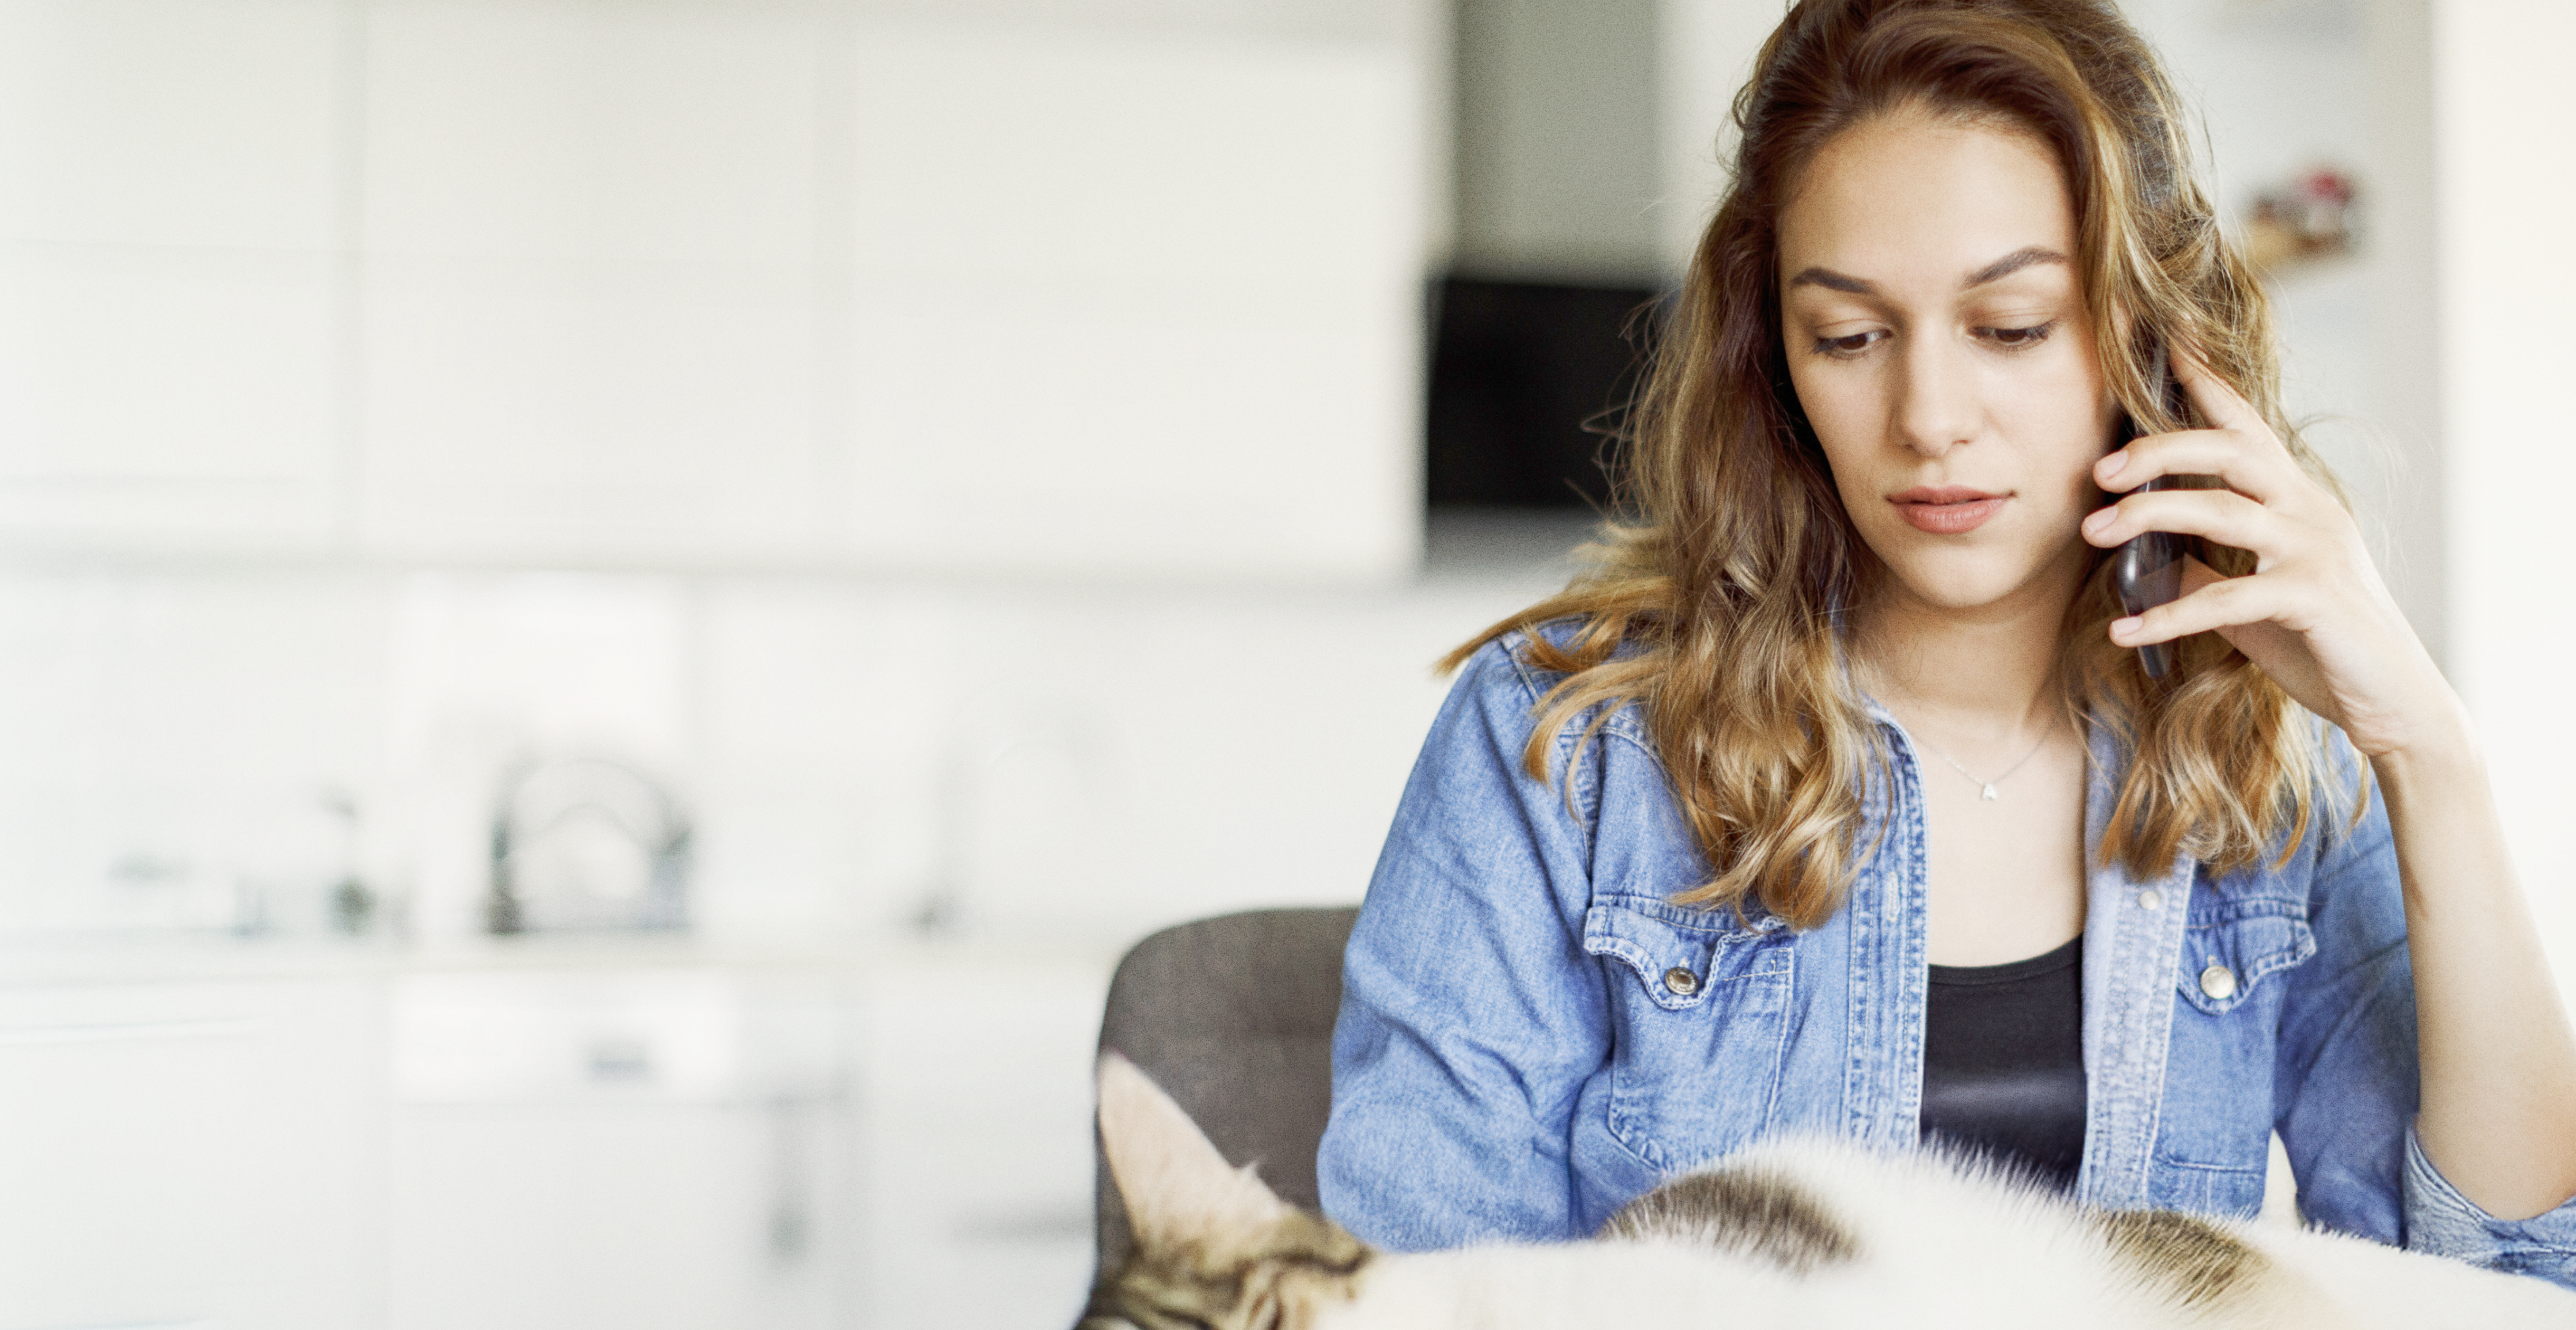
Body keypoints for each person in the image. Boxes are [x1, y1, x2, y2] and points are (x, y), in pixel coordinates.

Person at [1316, 0, 2576, 1289]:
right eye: (1848, 337)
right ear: (1775, 365)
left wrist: (2430, 751)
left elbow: (2498, 1284)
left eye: (2012, 327)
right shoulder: (1568, 745)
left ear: (2144, 336)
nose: (1927, 417)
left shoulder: (2263, 753)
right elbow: (1414, 1293)